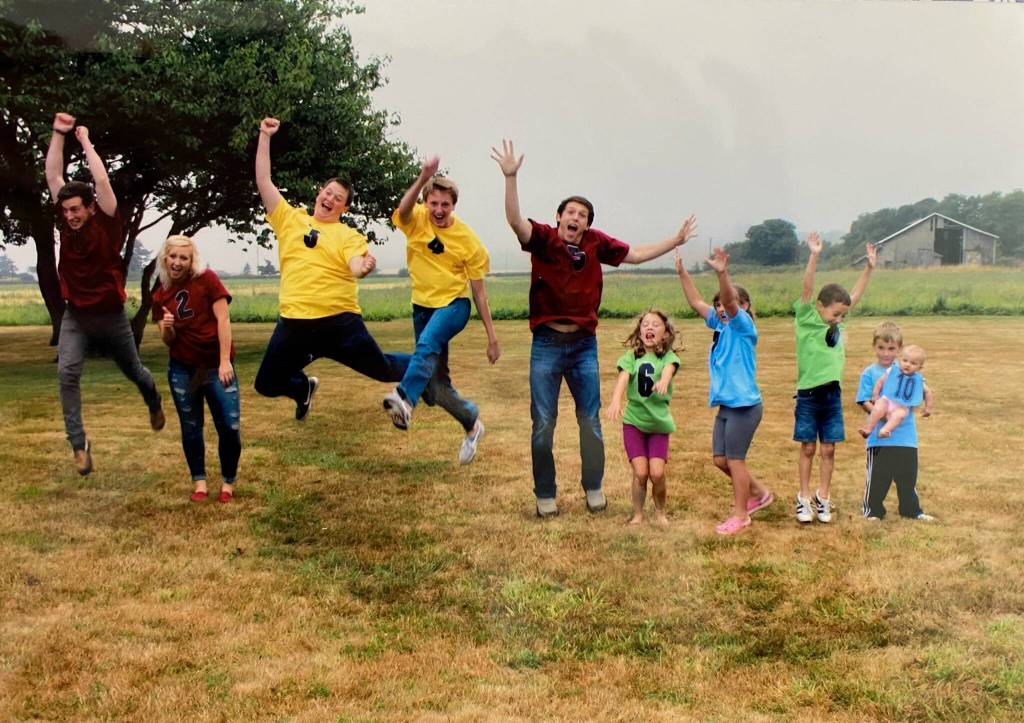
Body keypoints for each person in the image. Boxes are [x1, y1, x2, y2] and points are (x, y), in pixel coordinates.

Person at [491, 138, 697, 518]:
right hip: (546, 343)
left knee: (590, 420)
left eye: (583, 215)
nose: (576, 218)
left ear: (588, 223)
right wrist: (510, 178)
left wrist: (676, 240)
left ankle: (594, 487)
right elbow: (515, 222)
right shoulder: (543, 239)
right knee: (543, 422)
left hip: (583, 344)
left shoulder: (596, 244)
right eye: (570, 212)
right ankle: (545, 494)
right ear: (558, 217)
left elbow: (636, 255)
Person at [252, 117, 409, 419]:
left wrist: (363, 267)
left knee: (383, 368)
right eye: (328, 192)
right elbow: (263, 181)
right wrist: (265, 136)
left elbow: (355, 264)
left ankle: (428, 368)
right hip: (294, 323)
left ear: (344, 208)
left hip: (338, 324)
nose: (330, 199)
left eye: (338, 199)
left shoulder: (348, 235)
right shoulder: (289, 218)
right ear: (319, 192)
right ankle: (303, 389)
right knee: (266, 383)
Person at [44, 112, 165, 476]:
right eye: (66, 210)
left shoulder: (108, 222)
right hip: (76, 316)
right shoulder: (66, 226)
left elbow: (100, 179)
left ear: (91, 207)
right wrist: (58, 133)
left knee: (134, 371)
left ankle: (153, 399)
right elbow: (53, 176)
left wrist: (85, 140)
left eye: (76, 209)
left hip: (112, 317)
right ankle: (79, 445)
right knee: (67, 374)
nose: (70, 215)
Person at [383, 157, 500, 464]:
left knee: (427, 344)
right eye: (433, 203)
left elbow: (479, 292)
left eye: (445, 205)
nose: (438, 210)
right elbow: (403, 211)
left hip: (454, 305)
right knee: (436, 386)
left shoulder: (468, 241)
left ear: (454, 205)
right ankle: (472, 423)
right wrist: (423, 177)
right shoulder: (416, 219)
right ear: (426, 203)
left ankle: (405, 400)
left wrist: (492, 336)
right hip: (422, 308)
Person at [676, 247, 773, 535]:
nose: (721, 308)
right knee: (720, 460)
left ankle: (741, 515)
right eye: (717, 304)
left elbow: (730, 303)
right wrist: (682, 273)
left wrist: (722, 274)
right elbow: (696, 302)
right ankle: (759, 492)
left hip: (745, 406)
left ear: (745, 306)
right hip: (726, 406)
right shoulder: (719, 326)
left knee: (735, 460)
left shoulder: (743, 326)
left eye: (726, 304)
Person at [792, 232, 876, 524]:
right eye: (835, 314)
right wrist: (814, 255)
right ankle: (803, 498)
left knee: (828, 449)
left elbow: (854, 297)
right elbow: (807, 287)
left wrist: (868, 268)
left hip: (832, 396)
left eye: (843, 316)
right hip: (808, 395)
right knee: (808, 448)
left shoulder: (838, 320)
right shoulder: (805, 318)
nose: (839, 320)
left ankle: (823, 497)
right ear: (820, 305)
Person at [152, 235, 241, 503]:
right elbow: (168, 340)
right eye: (173, 256)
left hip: (215, 366)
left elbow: (223, 319)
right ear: (165, 258)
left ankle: (228, 483)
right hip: (184, 369)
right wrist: (168, 327)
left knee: (229, 425)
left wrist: (224, 360)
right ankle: (199, 483)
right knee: (191, 426)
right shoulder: (160, 293)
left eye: (184, 257)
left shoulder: (207, 280)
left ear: (191, 261)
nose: (177, 262)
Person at [605, 310, 680, 526]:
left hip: (658, 425)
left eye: (655, 324)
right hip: (634, 423)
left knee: (657, 474)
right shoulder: (631, 356)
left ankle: (660, 512)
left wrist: (664, 380)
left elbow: (669, 369)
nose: (649, 327)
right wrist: (616, 400)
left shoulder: (668, 357)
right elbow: (623, 378)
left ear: (666, 333)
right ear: (639, 331)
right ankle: (637, 514)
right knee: (640, 473)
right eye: (645, 324)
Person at [856, 323, 936, 521]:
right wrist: (882, 415)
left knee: (907, 476)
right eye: (881, 348)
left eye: (891, 349)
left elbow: (920, 394)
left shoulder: (912, 373)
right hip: (879, 438)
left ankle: (912, 510)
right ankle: (872, 510)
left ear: (899, 350)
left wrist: (927, 407)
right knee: (878, 477)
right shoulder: (870, 372)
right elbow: (864, 400)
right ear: (874, 347)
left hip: (906, 436)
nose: (886, 353)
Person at [858, 344, 932, 439]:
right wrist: (875, 395)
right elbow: (880, 381)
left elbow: (927, 392)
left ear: (919, 368)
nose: (908, 364)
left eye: (913, 363)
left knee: (899, 415)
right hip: (887, 400)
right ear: (900, 360)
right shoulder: (892, 371)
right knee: (877, 409)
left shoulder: (917, 380)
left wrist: (928, 407)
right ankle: (868, 429)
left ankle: (885, 430)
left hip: (901, 406)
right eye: (905, 360)